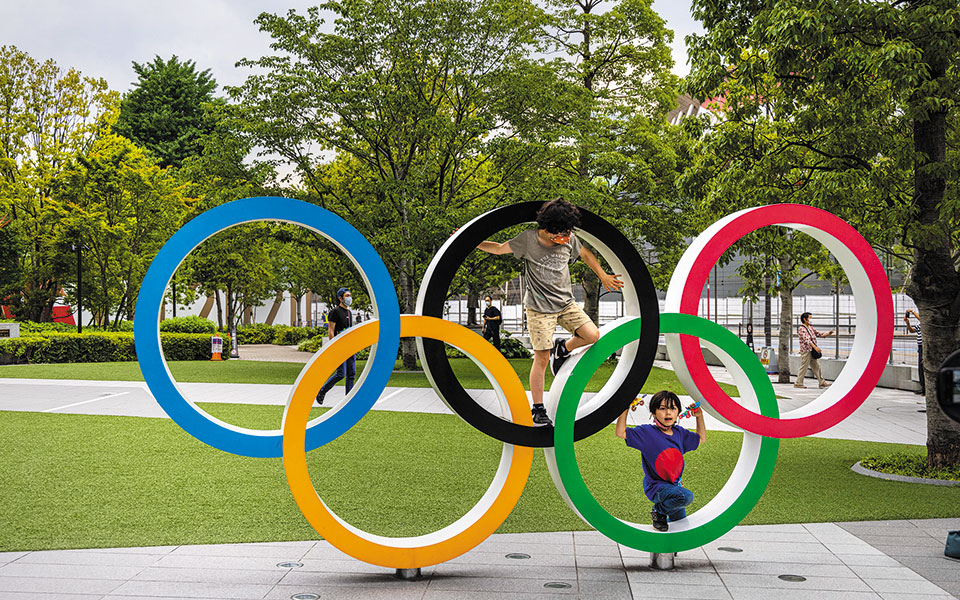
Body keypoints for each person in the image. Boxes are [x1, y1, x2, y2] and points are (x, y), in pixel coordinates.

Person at [477, 198, 624, 426]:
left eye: (567, 233)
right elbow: (497, 249)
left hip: (565, 303)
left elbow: (585, 254)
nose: (565, 239)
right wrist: (470, 241)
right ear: (546, 229)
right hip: (538, 308)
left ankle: (562, 348)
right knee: (541, 358)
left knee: (592, 335)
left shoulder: (569, 239)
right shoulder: (527, 239)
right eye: (560, 235)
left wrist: (603, 275)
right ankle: (537, 408)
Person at [615, 390, 705, 532]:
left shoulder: (680, 433)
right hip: (656, 487)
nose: (668, 413)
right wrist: (624, 409)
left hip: (674, 487)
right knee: (686, 497)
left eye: (672, 408)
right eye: (663, 408)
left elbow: (700, 438)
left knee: (680, 526)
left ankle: (667, 545)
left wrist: (699, 417)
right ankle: (658, 511)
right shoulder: (647, 433)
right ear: (653, 412)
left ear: (678, 412)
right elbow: (621, 432)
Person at [315, 288, 355, 406]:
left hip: (350, 347)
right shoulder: (335, 311)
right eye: (347, 295)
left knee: (351, 373)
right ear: (340, 298)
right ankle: (322, 391)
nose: (349, 297)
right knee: (341, 374)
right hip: (339, 346)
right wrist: (334, 346)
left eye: (350, 295)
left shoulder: (349, 312)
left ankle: (349, 399)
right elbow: (331, 330)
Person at [795, 311, 834, 389]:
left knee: (816, 366)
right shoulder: (801, 329)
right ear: (804, 319)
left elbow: (819, 334)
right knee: (804, 366)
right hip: (806, 350)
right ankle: (798, 383)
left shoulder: (810, 327)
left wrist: (828, 333)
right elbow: (807, 340)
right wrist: (815, 347)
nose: (811, 320)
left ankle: (821, 382)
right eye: (810, 318)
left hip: (812, 351)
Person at [904, 309, 924, 395]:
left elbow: (921, 319)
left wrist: (912, 312)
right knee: (921, 368)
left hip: (925, 346)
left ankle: (925, 389)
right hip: (920, 346)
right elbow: (912, 330)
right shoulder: (920, 324)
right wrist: (907, 323)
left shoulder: (925, 322)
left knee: (924, 367)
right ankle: (923, 387)